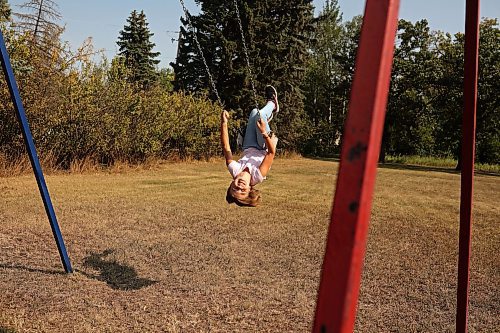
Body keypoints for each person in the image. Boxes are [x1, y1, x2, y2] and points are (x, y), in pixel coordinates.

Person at [220, 85, 279, 207]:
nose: (239, 187)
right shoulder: (257, 176)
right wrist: (264, 132)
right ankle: (273, 104)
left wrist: (224, 123)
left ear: (231, 184)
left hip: (249, 145)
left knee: (254, 112)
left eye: (234, 189)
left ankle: (268, 115)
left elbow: (226, 147)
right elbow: (271, 153)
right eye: (243, 191)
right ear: (249, 189)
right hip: (264, 147)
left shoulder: (235, 170)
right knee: (260, 116)